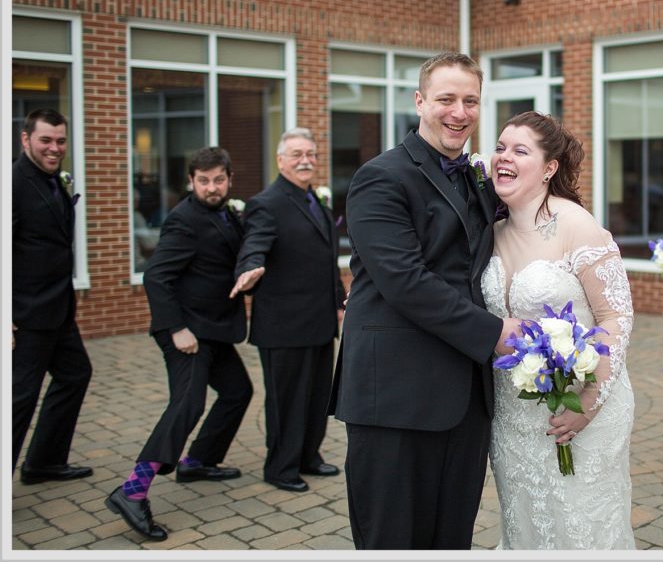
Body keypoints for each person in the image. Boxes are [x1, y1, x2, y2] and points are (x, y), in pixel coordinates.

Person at [331, 52, 521, 550]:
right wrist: (494, 332)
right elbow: (404, 280)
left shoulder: (478, 177)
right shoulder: (380, 177)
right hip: (396, 394)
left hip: (466, 395)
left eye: (471, 101)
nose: (459, 112)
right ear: (420, 102)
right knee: (392, 539)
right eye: (446, 99)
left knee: (450, 539)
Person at [482, 111, 635, 549]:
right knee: (526, 524)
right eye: (500, 147)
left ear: (550, 168)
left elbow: (616, 317)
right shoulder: (490, 230)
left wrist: (586, 404)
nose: (503, 158)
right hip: (513, 416)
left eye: (520, 150)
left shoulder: (576, 225)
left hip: (583, 404)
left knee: (581, 527)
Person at [105, 147, 253, 541]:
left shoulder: (227, 213)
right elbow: (155, 278)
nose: (211, 187)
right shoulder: (184, 222)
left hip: (213, 327)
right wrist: (176, 329)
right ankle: (132, 492)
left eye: (218, 179)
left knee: (238, 391)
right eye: (203, 181)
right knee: (187, 403)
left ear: (229, 179)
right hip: (186, 330)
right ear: (191, 182)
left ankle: (199, 460)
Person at [231, 128, 345, 493]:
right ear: (280, 160)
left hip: (319, 321)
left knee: (315, 397)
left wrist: (339, 301)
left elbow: (327, 262)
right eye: (296, 154)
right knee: (286, 401)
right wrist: (249, 267)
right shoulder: (267, 203)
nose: (305, 160)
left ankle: (308, 456)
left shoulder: (318, 204)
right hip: (283, 324)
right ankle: (280, 467)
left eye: (310, 153)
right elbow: (255, 243)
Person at [12, 109, 93, 485]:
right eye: (45, 140)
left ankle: (43, 462)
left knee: (75, 374)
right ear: (25, 139)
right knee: (18, 400)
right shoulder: (12, 183)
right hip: (25, 313)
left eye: (60, 140)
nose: (54, 147)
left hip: (59, 309)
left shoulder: (54, 181)